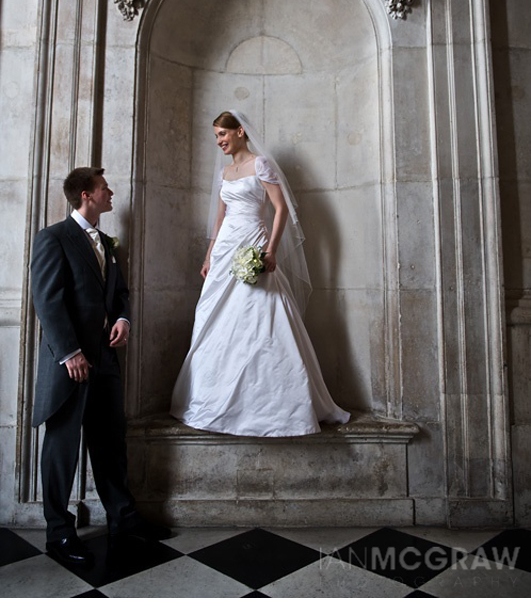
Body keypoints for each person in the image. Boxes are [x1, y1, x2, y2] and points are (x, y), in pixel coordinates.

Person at [170, 110, 350, 436]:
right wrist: (210, 256)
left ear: (240, 131)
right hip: (226, 250)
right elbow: (219, 218)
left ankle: (276, 405)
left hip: (253, 242)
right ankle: (213, 398)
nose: (219, 141)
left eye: (222, 134)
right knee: (216, 318)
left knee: (262, 313)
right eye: (215, 137)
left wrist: (271, 250)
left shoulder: (260, 165)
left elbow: (281, 209)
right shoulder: (225, 173)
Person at [31, 167, 170, 566]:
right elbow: (48, 302)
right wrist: (70, 353)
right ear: (87, 195)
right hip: (69, 365)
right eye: (105, 189)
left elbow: (120, 294)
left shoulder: (107, 244)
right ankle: (58, 534)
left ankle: (124, 521)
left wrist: (123, 320)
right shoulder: (53, 238)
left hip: (106, 362)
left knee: (110, 444)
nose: (111, 194)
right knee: (61, 449)